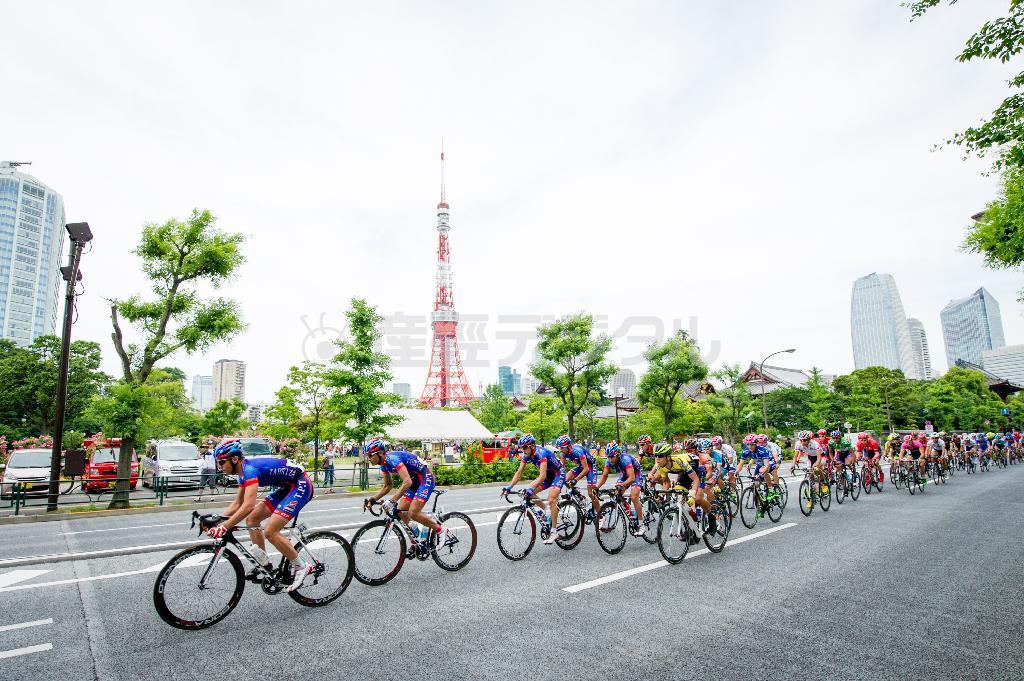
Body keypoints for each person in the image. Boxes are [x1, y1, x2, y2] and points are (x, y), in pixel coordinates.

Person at [208, 439, 314, 593]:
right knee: (252, 519)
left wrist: (225, 526)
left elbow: (248, 505)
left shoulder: (249, 470)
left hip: (300, 484)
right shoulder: (241, 472)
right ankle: (264, 563)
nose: (219, 467)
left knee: (270, 532)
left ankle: (302, 565)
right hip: (287, 486)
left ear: (235, 459)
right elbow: (238, 503)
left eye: (221, 462)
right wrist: (217, 520)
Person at [364, 438, 454, 546]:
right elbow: (388, 486)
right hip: (415, 480)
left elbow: (407, 482)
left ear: (380, 453)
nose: (368, 458)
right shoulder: (384, 465)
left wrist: (392, 500)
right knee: (401, 511)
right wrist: (373, 499)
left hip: (425, 478)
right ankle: (416, 542)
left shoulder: (392, 459)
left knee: (413, 512)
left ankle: (441, 530)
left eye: (370, 455)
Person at [504, 434, 565, 545]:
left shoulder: (541, 454)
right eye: (521, 448)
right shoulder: (527, 455)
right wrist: (509, 487)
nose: (522, 450)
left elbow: (541, 476)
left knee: (551, 499)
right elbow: (519, 474)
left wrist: (531, 488)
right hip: (547, 476)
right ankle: (547, 511)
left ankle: (554, 532)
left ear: (532, 446)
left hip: (557, 474)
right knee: (529, 494)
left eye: (524, 447)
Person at [594, 441, 646, 537]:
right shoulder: (608, 460)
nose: (609, 459)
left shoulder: (625, 459)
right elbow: (604, 476)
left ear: (617, 455)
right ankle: (631, 513)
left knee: (634, 496)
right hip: (625, 474)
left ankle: (641, 524)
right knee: (617, 493)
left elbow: (632, 478)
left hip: (636, 474)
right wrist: (597, 487)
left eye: (611, 457)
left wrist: (622, 484)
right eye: (608, 457)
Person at [557, 434, 600, 522]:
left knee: (591, 493)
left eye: (562, 447)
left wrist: (575, 480)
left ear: (568, 446)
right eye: (559, 448)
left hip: (590, 467)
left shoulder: (577, 451)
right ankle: (578, 495)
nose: (560, 450)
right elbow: (561, 468)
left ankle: (600, 515)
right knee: (565, 479)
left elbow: (586, 469)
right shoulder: (564, 453)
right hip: (581, 466)